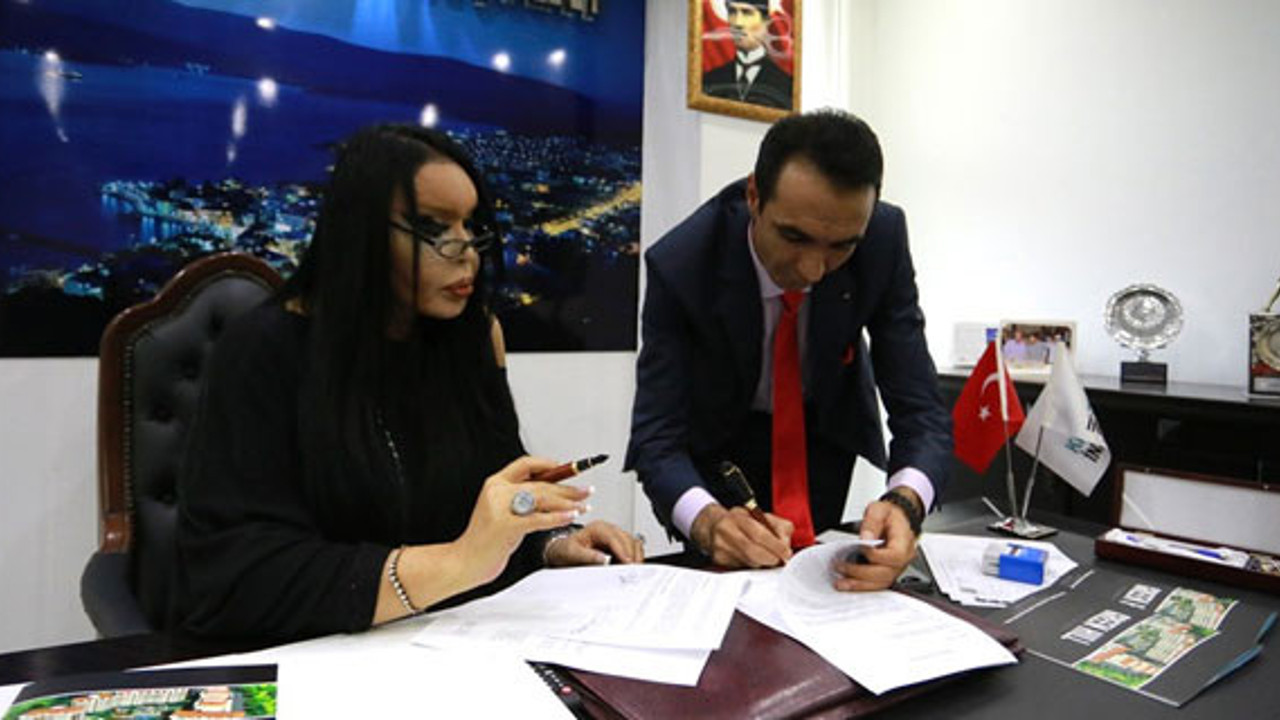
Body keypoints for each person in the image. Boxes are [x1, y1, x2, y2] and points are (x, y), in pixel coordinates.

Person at [176, 123, 642, 640]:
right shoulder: (261, 349)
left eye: (470, 225)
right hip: (308, 652)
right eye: (433, 228)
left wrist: (549, 543)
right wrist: (456, 564)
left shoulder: (472, 338)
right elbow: (241, 576)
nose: (466, 249)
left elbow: (492, 502)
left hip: (452, 639)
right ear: (361, 233)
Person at [626, 109, 951, 591]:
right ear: (754, 196)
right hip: (720, 450)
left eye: (841, 246)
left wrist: (906, 502)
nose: (813, 270)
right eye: (794, 237)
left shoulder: (881, 240)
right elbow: (656, 437)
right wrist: (708, 521)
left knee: (817, 590)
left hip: (822, 437)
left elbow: (920, 407)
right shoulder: (684, 264)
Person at [702, 0, 793, 109]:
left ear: (766, 22)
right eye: (732, 12)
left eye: (747, 13)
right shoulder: (709, 80)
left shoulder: (786, 85)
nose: (737, 23)